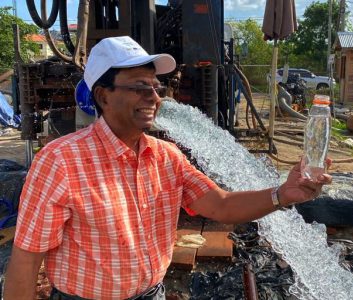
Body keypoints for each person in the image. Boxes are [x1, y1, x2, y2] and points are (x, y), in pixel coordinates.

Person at [4, 36, 332, 300]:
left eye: (155, 87)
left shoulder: (166, 157)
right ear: (103, 96)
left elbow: (221, 204)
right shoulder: (60, 161)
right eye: (139, 87)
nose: (154, 97)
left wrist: (282, 194)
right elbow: (27, 258)